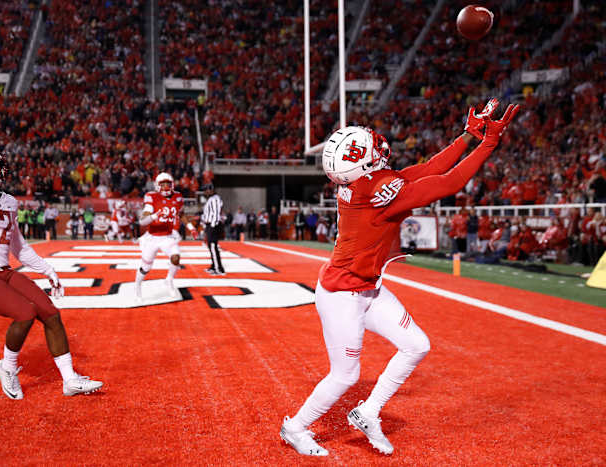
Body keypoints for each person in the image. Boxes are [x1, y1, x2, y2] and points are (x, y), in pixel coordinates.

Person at [280, 99, 519, 456]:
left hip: (367, 288)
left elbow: (425, 170)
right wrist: (488, 144)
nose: (377, 145)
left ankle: (368, 411)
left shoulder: (366, 182)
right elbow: (447, 182)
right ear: (359, 162)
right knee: (345, 375)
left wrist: (468, 136)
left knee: (416, 345)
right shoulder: (375, 191)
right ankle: (295, 427)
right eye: (368, 146)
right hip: (344, 294)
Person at [0, 145, 102, 399]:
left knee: (51, 313)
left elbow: (19, 247)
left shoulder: (9, 201)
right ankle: (7, 367)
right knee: (25, 313)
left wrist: (48, 269)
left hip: (4, 271)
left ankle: (69, 380)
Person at [134, 173, 197, 299]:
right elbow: (142, 221)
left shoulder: (178, 197)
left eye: (168, 183)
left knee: (176, 257)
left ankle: (169, 280)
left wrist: (191, 227)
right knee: (146, 267)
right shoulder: (152, 197)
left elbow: (181, 214)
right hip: (152, 237)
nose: (166, 186)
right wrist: (155, 215)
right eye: (163, 184)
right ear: (157, 185)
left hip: (167, 236)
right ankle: (137, 285)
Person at [200, 183, 225, 275]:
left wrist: (213, 226)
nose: (205, 192)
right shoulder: (211, 199)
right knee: (211, 247)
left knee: (213, 247)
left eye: (206, 190)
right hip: (210, 225)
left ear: (211, 190)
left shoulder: (215, 199)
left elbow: (215, 213)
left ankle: (218, 268)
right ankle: (214, 265)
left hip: (213, 225)